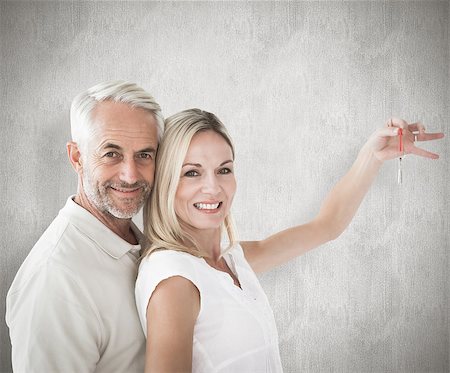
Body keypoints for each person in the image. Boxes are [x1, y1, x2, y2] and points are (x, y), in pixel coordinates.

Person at [135, 109, 444, 372]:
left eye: (224, 170)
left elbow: (327, 225)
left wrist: (372, 155)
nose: (213, 188)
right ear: (165, 181)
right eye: (192, 173)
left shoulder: (229, 260)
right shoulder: (174, 280)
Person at [6, 80, 164, 373]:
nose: (130, 175)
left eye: (144, 154)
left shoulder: (141, 245)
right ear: (76, 157)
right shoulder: (55, 281)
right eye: (111, 153)